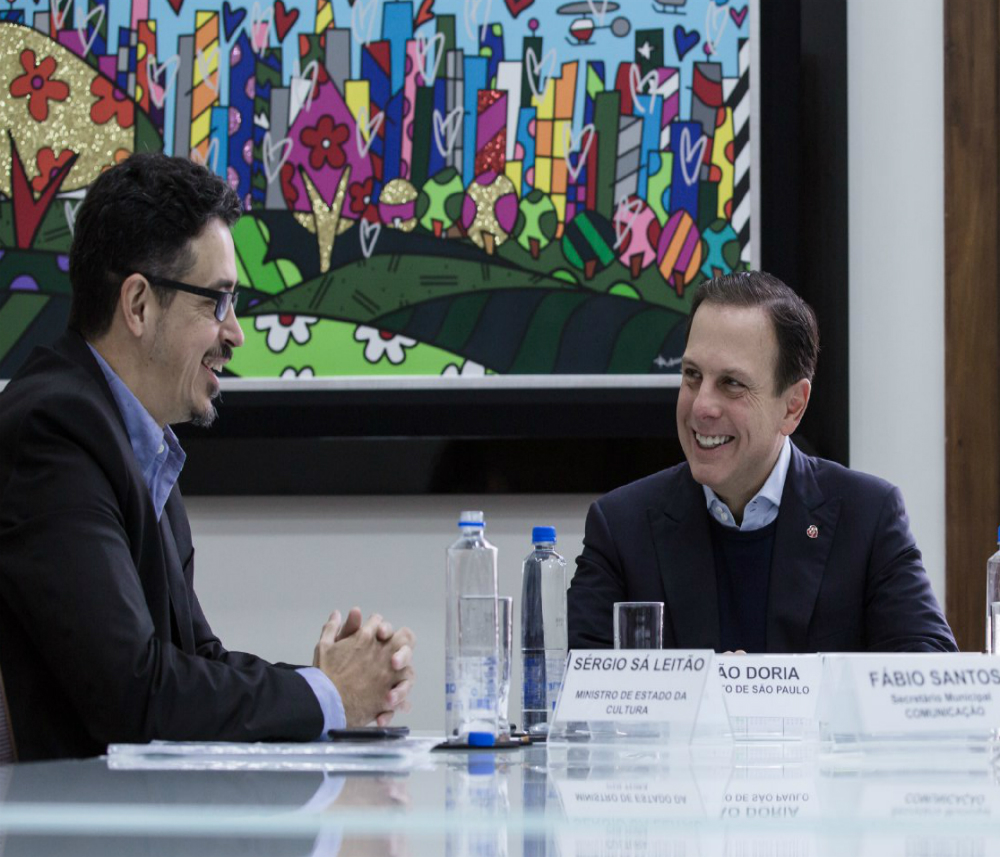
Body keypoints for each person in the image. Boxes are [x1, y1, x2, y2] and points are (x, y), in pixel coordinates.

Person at [0, 153, 415, 761]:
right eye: (215, 302)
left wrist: (330, 687)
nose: (235, 333)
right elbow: (134, 693)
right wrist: (327, 694)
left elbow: (195, 664)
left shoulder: (134, 439)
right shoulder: (56, 431)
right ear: (139, 305)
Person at [568, 271, 957, 653]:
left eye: (732, 383)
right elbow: (577, 690)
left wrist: (770, 693)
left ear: (793, 407)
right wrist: (707, 690)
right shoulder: (620, 527)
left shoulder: (868, 518)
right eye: (691, 375)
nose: (701, 406)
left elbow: (926, 674)